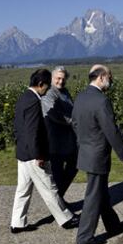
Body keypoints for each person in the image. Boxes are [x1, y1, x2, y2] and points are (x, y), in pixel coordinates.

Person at [10, 69, 79, 234]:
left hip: (23, 153)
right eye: (47, 87)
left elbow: (19, 128)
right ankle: (66, 219)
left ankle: (17, 222)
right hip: (34, 155)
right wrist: (39, 155)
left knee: (23, 189)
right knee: (50, 188)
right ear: (40, 84)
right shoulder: (34, 101)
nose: (47, 90)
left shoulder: (23, 98)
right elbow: (33, 131)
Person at [72, 64, 123, 244]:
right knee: (93, 197)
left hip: (86, 152)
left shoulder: (80, 97)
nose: (111, 81)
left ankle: (113, 226)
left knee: (101, 193)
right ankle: (84, 237)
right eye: (110, 77)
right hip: (97, 155)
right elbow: (111, 131)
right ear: (101, 77)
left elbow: (74, 123)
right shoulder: (101, 101)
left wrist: (83, 143)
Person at [41, 66, 78, 199]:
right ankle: (58, 205)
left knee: (73, 166)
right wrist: (73, 121)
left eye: (63, 79)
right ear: (52, 78)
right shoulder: (49, 93)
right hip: (54, 141)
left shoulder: (65, 92)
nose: (61, 81)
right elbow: (53, 114)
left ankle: (58, 200)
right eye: (58, 78)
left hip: (67, 140)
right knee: (57, 173)